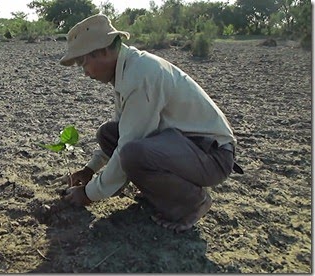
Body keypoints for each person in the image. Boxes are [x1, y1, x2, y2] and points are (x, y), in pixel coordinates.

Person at [59, 14, 243, 233]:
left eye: (84, 62)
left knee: (133, 153)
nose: (85, 73)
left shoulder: (141, 75)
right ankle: (157, 192)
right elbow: (124, 129)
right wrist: (90, 169)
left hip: (212, 157)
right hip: (183, 147)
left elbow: (129, 144)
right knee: (108, 134)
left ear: (104, 51)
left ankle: (194, 202)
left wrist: (88, 194)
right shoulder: (127, 70)